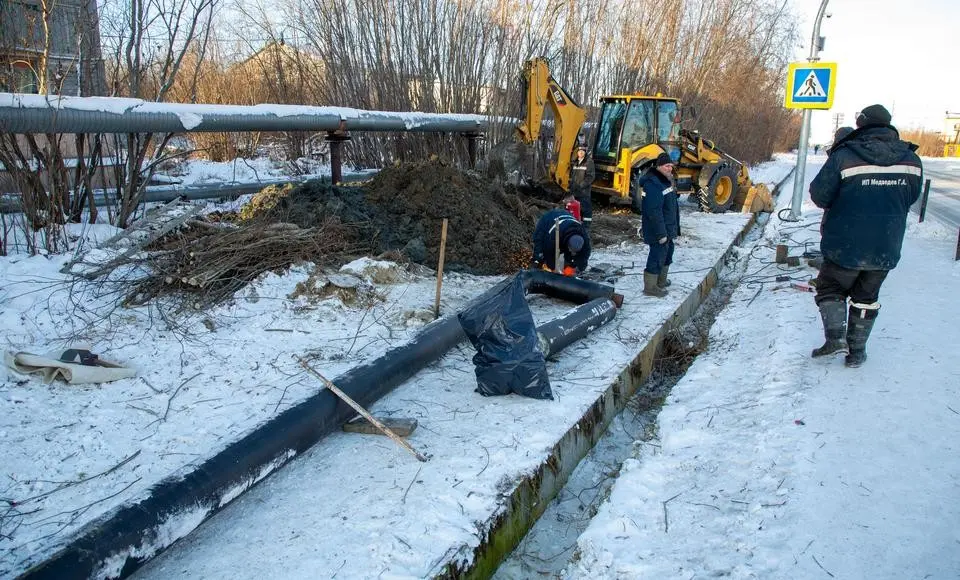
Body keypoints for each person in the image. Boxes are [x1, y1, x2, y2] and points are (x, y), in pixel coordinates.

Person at [808, 104, 922, 368]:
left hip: (844, 243)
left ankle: (835, 339)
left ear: (861, 124)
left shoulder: (845, 155)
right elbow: (911, 198)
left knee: (830, 287)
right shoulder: (911, 159)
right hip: (886, 244)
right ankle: (857, 353)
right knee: (867, 297)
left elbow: (819, 195)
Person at [639, 152, 680, 297]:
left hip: (667, 227)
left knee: (668, 251)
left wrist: (674, 229)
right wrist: (661, 233)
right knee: (657, 254)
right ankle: (650, 287)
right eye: (667, 166)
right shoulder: (654, 183)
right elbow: (654, 211)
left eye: (671, 166)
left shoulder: (664, 181)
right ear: (659, 167)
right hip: (657, 229)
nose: (670, 169)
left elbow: (670, 207)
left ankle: (660, 281)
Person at [532, 207, 590, 275]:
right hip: (547, 221)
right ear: (568, 244)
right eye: (571, 250)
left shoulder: (585, 238)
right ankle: (536, 267)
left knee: (571, 263)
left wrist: (577, 267)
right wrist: (553, 268)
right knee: (540, 252)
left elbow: (584, 256)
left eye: (575, 252)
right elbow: (549, 253)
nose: (572, 252)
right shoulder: (553, 237)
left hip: (566, 222)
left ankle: (568, 267)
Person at [569, 145, 595, 230]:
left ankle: (586, 226)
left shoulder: (589, 162)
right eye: (579, 151)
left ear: (585, 152)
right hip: (575, 191)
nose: (580, 153)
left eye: (583, 151)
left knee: (586, 209)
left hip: (584, 192)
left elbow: (590, 177)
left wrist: (582, 185)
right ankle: (578, 224)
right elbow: (573, 176)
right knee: (576, 209)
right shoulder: (575, 162)